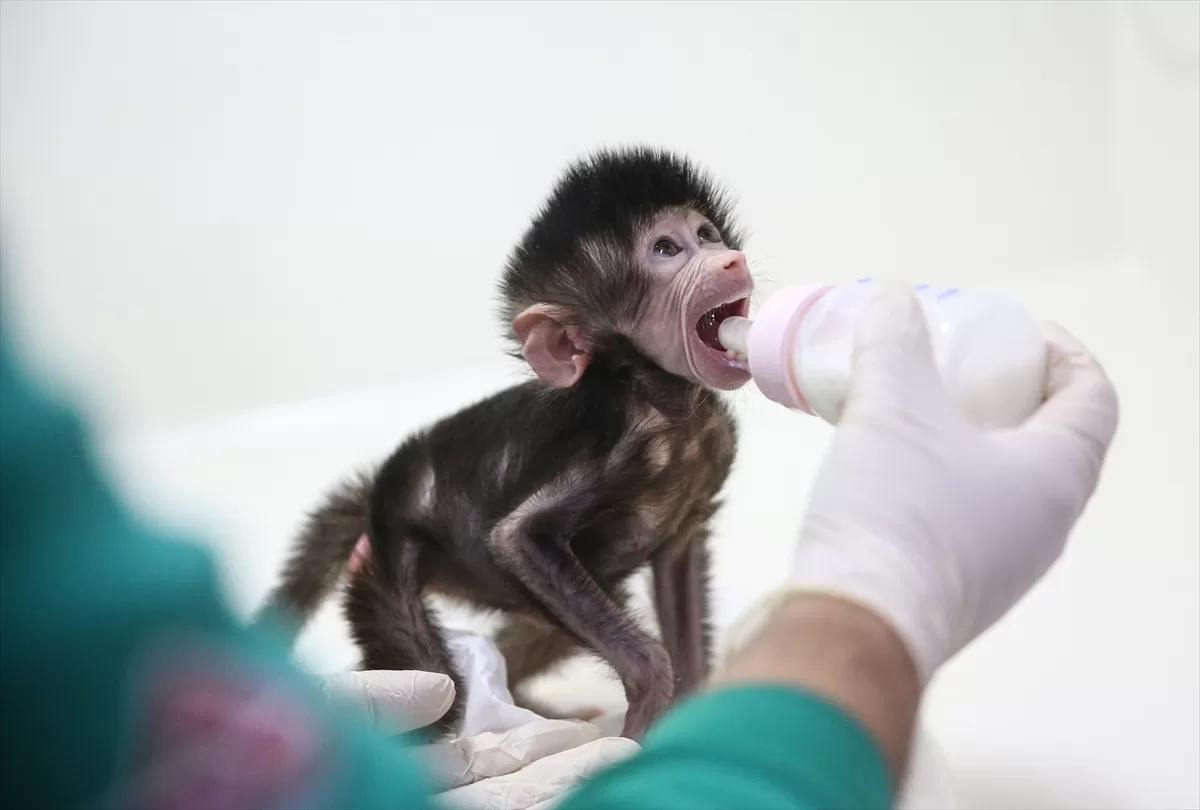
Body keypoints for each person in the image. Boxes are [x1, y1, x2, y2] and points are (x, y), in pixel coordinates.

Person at [0, 278, 1119, 809]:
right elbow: (525, 540)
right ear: (565, 345)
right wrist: (869, 611)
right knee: (504, 665)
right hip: (449, 544)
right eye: (669, 248)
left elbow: (676, 556)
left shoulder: (696, 428)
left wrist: (306, 770)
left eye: (707, 234)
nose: (722, 261)